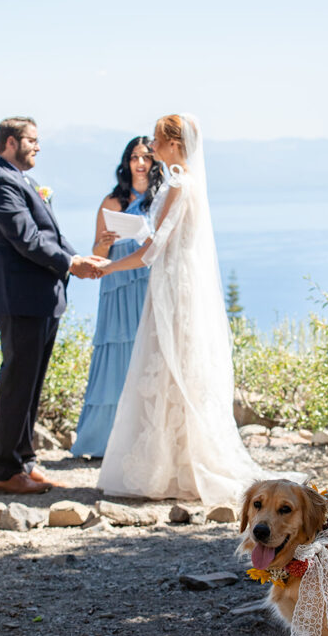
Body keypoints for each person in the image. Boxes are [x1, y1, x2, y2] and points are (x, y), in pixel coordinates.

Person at [97, 114, 261, 506]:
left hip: (173, 289)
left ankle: (176, 467)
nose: (151, 147)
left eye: (156, 140)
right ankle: (178, 463)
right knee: (175, 369)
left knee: (172, 366)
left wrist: (107, 266)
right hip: (176, 284)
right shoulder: (183, 184)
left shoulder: (179, 184)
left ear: (174, 144)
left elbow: (152, 251)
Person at [0, 117, 105, 495]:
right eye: (32, 140)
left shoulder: (19, 179)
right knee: (18, 384)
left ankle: (24, 464)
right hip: (19, 298)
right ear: (11, 142)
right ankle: (5, 470)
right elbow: (26, 239)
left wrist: (77, 256)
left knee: (31, 385)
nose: (38, 147)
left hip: (39, 298)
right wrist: (71, 264)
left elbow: (51, 235)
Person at [72, 137, 163, 457]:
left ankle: (146, 438)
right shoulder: (111, 202)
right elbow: (97, 254)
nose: (140, 163)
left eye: (146, 158)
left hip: (149, 282)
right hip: (116, 284)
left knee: (149, 350)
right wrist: (104, 242)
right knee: (115, 353)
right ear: (126, 162)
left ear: (155, 163)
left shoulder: (161, 198)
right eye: (134, 157)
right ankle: (101, 440)